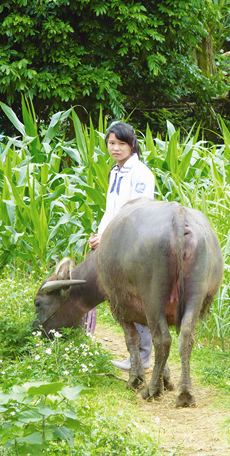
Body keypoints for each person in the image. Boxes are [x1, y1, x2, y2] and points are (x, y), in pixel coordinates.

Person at [86, 120, 155, 371]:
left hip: (134, 243)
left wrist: (108, 237)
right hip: (115, 242)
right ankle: (136, 353)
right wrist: (100, 235)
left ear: (132, 145)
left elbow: (136, 213)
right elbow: (110, 210)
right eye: (111, 143)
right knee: (124, 298)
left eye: (121, 143)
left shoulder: (141, 173)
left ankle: (144, 355)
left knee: (137, 298)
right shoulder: (115, 171)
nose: (115, 148)